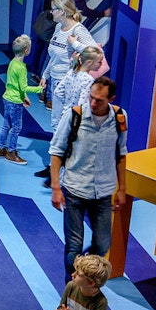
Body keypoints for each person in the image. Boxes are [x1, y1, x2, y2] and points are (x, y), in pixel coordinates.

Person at [50, 78, 126, 282]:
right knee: (73, 246)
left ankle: (83, 272)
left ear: (111, 99)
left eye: (99, 100)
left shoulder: (120, 118)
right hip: (74, 189)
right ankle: (72, 287)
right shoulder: (75, 116)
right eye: (91, 97)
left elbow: (121, 153)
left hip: (103, 192)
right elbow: (56, 151)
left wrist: (122, 189)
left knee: (102, 244)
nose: (93, 103)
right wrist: (56, 187)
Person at [40, 0, 98, 144]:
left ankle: (61, 154)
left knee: (64, 121)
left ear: (62, 11)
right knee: (56, 120)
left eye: (53, 9)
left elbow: (96, 52)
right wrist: (45, 75)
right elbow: (54, 56)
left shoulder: (78, 30)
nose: (51, 12)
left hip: (68, 82)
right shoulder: (59, 27)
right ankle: (59, 153)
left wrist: (75, 44)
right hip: (55, 81)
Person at [0, 34, 45, 165]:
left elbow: (15, 85)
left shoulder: (12, 62)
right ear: (26, 50)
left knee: (6, 125)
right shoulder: (21, 68)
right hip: (15, 102)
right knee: (16, 127)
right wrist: (39, 89)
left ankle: (0, 148)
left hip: (7, 98)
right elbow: (24, 87)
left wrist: (24, 97)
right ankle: (11, 152)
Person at [52, 45, 104, 134]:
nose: (101, 64)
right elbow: (82, 103)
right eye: (99, 62)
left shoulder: (71, 73)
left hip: (65, 116)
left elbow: (58, 91)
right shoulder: (88, 80)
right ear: (89, 62)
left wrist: (67, 104)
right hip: (76, 120)